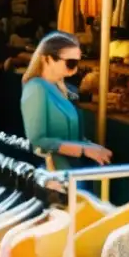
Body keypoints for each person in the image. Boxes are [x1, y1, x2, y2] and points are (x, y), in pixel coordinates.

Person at [21, 31, 112, 169]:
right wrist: (85, 150)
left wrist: (91, 148)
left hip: (72, 169)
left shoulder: (64, 87)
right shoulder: (36, 88)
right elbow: (37, 140)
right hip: (53, 173)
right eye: (70, 63)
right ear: (47, 59)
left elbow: (74, 135)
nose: (75, 69)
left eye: (77, 63)